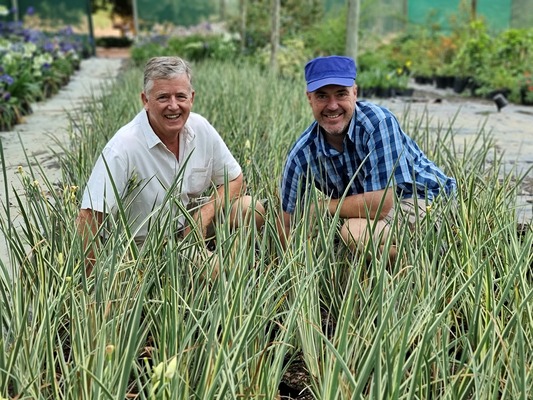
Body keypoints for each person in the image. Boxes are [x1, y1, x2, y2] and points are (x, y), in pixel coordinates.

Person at [77, 56, 264, 273]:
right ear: (145, 100)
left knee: (252, 208)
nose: (173, 106)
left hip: (187, 225)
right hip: (147, 244)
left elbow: (235, 179)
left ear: (191, 98)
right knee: (216, 270)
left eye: (180, 96)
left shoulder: (200, 127)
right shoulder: (123, 147)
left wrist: (203, 215)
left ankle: (232, 268)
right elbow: (89, 216)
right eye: (163, 97)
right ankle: (222, 277)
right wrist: (89, 282)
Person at [278, 55, 456, 260]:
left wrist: (322, 207)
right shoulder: (303, 154)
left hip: (426, 199)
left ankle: (429, 262)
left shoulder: (378, 123)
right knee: (340, 238)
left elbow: (380, 205)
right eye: (322, 96)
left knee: (353, 233)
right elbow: (287, 221)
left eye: (341, 94)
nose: (332, 105)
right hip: (378, 216)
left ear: (355, 93)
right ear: (309, 98)